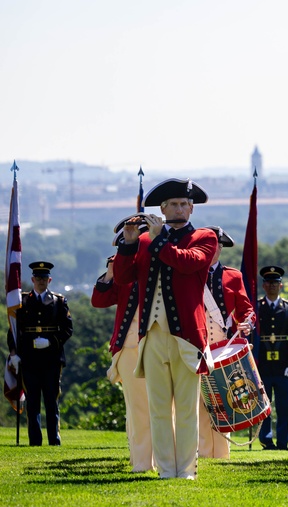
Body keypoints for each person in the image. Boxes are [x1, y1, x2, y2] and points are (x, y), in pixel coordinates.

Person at [114, 178, 217, 479]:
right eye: (173, 204)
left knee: (186, 408)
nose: (180, 209)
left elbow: (187, 262)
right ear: (162, 208)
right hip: (153, 334)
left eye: (184, 204)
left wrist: (158, 238)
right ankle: (165, 471)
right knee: (158, 408)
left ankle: (184, 471)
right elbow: (123, 278)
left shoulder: (204, 236)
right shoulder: (146, 241)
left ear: (192, 208)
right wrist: (129, 242)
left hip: (187, 336)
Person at [91, 219, 152, 471]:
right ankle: (141, 463)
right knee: (137, 407)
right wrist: (110, 272)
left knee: (164, 406)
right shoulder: (122, 269)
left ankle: (165, 459)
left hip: (160, 341)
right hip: (130, 346)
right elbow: (99, 301)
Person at [199, 226, 255, 459]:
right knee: (201, 404)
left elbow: (247, 310)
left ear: (220, 248)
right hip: (198, 346)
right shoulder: (191, 274)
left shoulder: (233, 276)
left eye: (217, 246)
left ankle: (222, 455)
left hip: (224, 347)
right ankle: (202, 453)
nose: (213, 250)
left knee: (224, 400)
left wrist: (248, 324)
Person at [6, 261, 73, 447]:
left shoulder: (59, 301)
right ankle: (35, 441)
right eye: (38, 278)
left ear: (49, 279)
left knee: (52, 401)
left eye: (45, 278)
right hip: (29, 357)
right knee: (33, 401)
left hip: (51, 358)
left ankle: (54, 441)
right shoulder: (23, 301)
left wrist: (51, 341)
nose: (41, 281)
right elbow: (13, 330)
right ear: (32, 279)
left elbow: (67, 329)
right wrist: (14, 354)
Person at [256, 265, 288, 451]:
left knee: (284, 407)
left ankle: (282, 442)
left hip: (282, 366)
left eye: (275, 282)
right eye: (268, 282)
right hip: (262, 366)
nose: (272, 285)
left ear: (281, 286)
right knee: (264, 406)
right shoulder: (257, 307)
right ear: (264, 285)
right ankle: (266, 441)